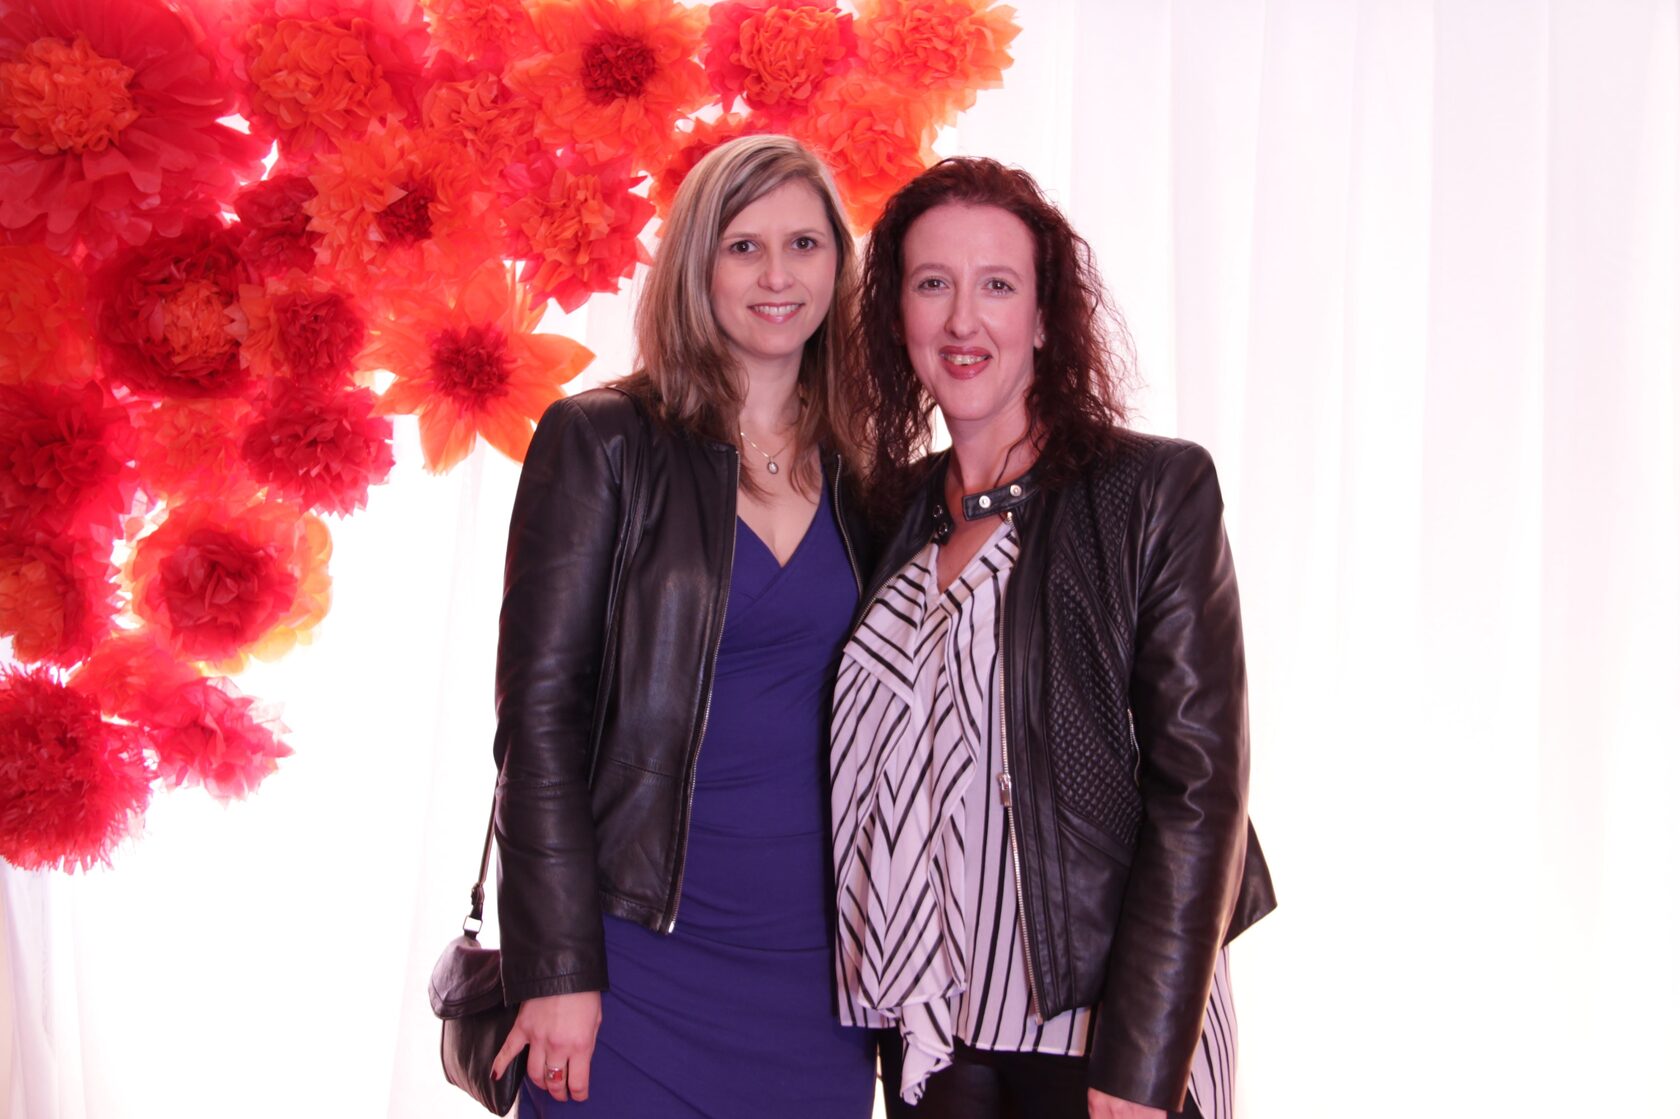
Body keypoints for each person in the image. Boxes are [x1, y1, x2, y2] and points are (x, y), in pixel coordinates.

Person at [829, 157, 1276, 1119]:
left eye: (997, 285)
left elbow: (1202, 792)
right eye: (933, 284)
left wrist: (1143, 1057)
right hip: (933, 1035)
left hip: (1099, 1040)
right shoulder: (886, 512)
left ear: (1043, 318)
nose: (963, 320)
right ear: (898, 314)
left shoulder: (1149, 494)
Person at [487, 134, 876, 1118]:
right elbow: (537, 723)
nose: (778, 275)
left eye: (804, 244)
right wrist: (557, 965)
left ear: (838, 263)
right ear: (697, 265)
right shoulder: (603, 441)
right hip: (632, 959)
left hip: (816, 973)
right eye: (744, 246)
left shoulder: (868, 471)